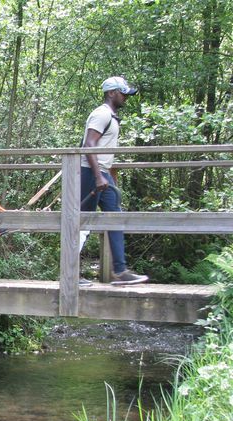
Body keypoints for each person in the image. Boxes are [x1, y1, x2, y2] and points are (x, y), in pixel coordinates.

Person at [80, 76, 148, 286]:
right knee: (82, 223)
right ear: (112, 93)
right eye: (122, 93)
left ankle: (120, 271)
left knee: (115, 218)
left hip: (103, 173)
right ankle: (70, 273)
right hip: (91, 173)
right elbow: (89, 145)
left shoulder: (111, 115)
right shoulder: (101, 114)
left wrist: (106, 174)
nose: (126, 97)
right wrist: (99, 176)